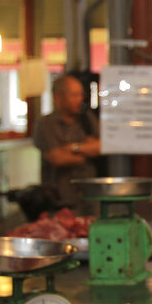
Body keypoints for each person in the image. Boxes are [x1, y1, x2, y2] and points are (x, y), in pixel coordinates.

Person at [32, 75, 101, 213]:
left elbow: (101, 147)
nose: (80, 99)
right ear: (58, 97)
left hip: (89, 196)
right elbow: (57, 158)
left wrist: (73, 148)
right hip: (59, 199)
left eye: (80, 95)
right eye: (74, 95)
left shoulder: (87, 120)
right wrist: (87, 152)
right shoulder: (45, 124)